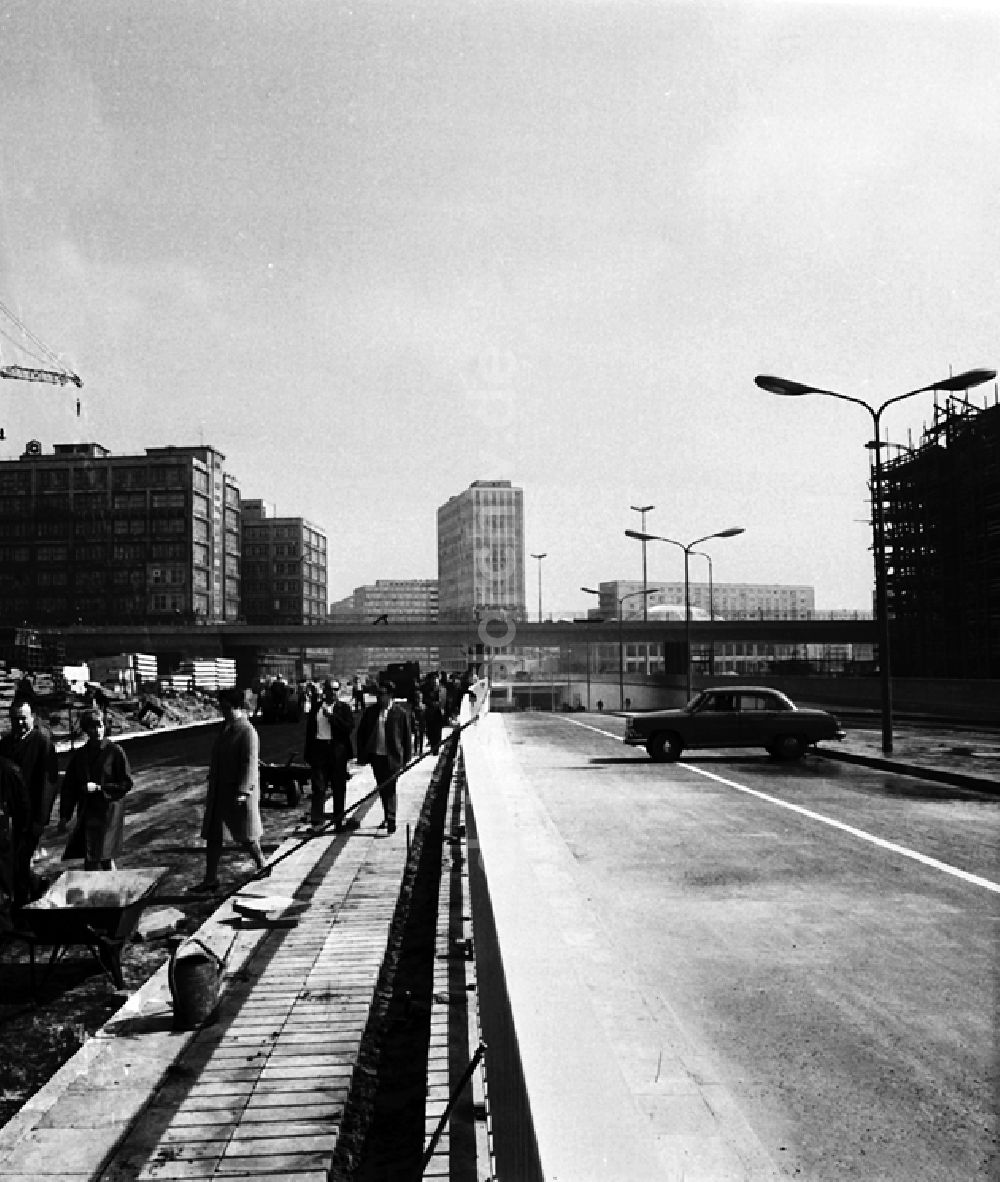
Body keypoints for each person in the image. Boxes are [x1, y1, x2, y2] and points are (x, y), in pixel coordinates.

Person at [198, 687, 268, 891]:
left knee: (245, 835)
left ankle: (262, 863)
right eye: (221, 706)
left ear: (236, 706)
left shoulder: (246, 731)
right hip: (219, 790)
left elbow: (250, 764)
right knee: (213, 836)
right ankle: (210, 879)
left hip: (237, 793)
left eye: (226, 706)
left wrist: (243, 791)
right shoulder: (226, 728)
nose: (222, 710)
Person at [57, 708, 133, 870]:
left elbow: (126, 783)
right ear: (86, 730)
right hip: (88, 813)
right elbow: (70, 787)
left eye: (99, 726)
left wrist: (100, 788)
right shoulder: (80, 755)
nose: (97, 730)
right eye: (92, 727)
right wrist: (65, 815)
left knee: (104, 856)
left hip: (109, 812)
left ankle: (113, 890)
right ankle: (93, 891)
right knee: (90, 855)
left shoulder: (114, 752)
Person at [0, 697, 59, 864]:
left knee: (24, 858)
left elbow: (49, 782)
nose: (19, 723)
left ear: (32, 717)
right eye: (15, 719)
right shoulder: (5, 744)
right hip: (11, 812)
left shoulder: (41, 741)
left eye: (23, 718)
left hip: (33, 809)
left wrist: (41, 818)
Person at [355, 682, 411, 836]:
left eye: (383, 694)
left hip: (393, 757)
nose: (380, 698)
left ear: (390, 695)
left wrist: (406, 759)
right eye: (378, 695)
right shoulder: (371, 712)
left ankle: (391, 819)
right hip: (377, 756)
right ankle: (388, 815)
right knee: (382, 787)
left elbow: (406, 737)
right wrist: (362, 754)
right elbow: (362, 733)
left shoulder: (400, 712)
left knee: (390, 787)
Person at [304, 679, 356, 833]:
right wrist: (308, 753)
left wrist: (332, 717)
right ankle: (317, 823)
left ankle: (338, 821)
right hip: (320, 751)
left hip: (337, 753)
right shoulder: (316, 708)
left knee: (338, 787)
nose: (332, 693)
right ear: (324, 691)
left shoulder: (343, 708)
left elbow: (348, 728)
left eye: (335, 689)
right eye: (329, 689)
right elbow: (310, 733)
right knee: (319, 788)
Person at [0, 755, 31, 931]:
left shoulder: (9, 770)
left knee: (5, 886)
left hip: (5, 838)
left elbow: (23, 806)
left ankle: (7, 930)